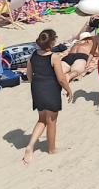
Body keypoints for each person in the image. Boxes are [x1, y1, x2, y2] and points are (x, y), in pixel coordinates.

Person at [22, 28, 72, 164]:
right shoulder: (54, 57)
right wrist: (68, 90)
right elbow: (61, 79)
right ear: (52, 42)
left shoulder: (33, 55)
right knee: (52, 121)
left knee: (42, 119)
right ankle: (52, 149)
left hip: (37, 89)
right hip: (50, 90)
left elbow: (28, 75)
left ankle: (30, 146)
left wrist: (37, 86)